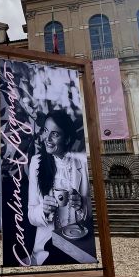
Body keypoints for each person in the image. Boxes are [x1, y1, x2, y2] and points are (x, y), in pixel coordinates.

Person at [27, 109, 90, 265]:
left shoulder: (81, 163)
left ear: (67, 139)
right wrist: (43, 209)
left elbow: (89, 215)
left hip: (78, 243)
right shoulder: (36, 163)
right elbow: (31, 215)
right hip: (48, 247)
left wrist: (81, 205)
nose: (47, 139)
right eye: (46, 131)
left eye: (55, 134)